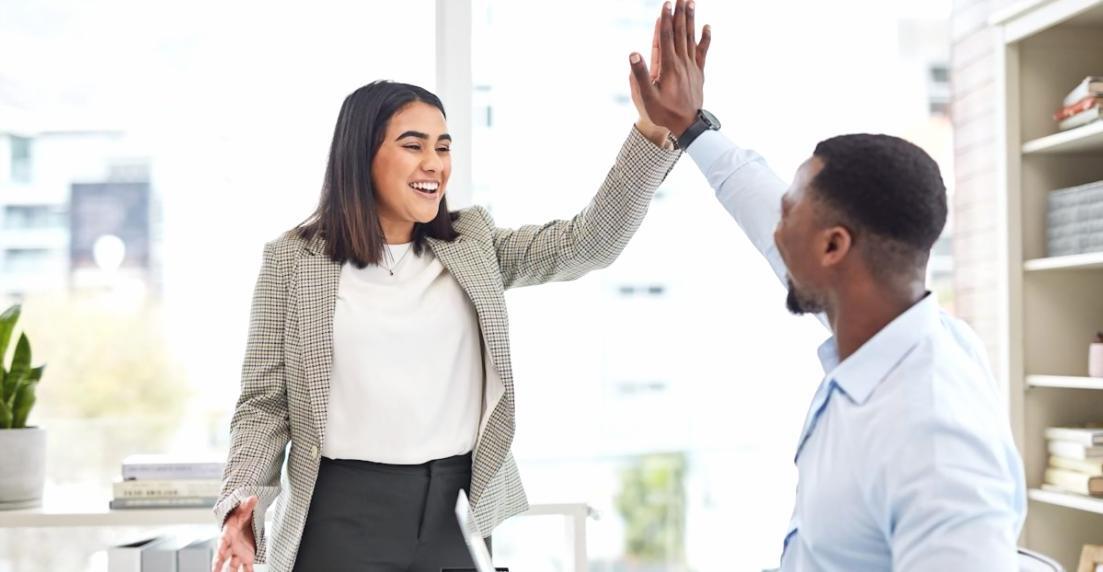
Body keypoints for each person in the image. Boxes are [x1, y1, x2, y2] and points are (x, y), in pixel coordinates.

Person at [211, 13, 708, 569]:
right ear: (361, 156)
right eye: (413, 146)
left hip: (454, 510)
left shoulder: (472, 244)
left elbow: (588, 242)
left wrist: (653, 131)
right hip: (339, 514)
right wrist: (241, 509)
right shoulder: (293, 261)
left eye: (443, 147)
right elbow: (263, 405)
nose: (435, 164)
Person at [628, 1, 1027, 569]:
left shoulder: (934, 436)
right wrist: (690, 128)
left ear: (834, 247)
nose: (776, 231)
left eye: (790, 213)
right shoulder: (893, 338)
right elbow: (763, 210)